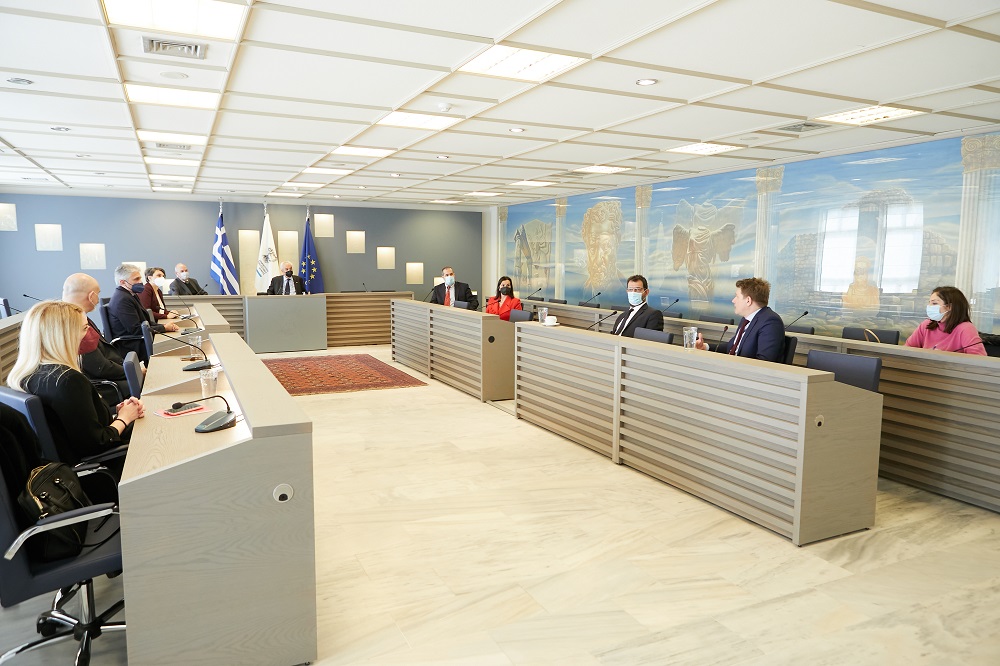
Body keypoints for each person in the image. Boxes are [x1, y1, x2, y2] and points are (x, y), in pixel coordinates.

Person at [6, 300, 144, 466]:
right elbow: (97, 444)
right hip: (105, 465)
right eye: (85, 328)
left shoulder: (26, 376)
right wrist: (124, 418)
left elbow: (76, 424)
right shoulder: (68, 381)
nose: (89, 333)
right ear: (65, 335)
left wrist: (116, 414)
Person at [62, 272, 132, 404]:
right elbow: (100, 368)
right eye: (98, 294)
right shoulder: (74, 324)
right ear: (91, 296)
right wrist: (131, 371)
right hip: (103, 386)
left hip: (107, 376)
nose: (98, 299)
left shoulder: (74, 318)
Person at [695, 277, 784, 362]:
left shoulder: (770, 322)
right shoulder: (746, 319)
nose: (733, 300)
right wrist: (705, 347)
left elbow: (764, 362)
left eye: (737, 296)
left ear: (748, 300)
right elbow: (733, 347)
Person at [108, 263, 179, 363]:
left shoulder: (131, 294)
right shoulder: (122, 299)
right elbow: (136, 329)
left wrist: (163, 326)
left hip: (138, 338)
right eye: (136, 279)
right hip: (131, 343)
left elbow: (144, 321)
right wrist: (164, 328)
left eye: (140, 278)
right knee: (172, 345)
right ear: (122, 282)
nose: (140, 282)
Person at [905, 286, 986, 355]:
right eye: (929, 303)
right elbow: (907, 350)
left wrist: (945, 358)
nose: (929, 307)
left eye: (934, 303)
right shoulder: (926, 324)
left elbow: (979, 360)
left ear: (949, 307)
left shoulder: (966, 328)